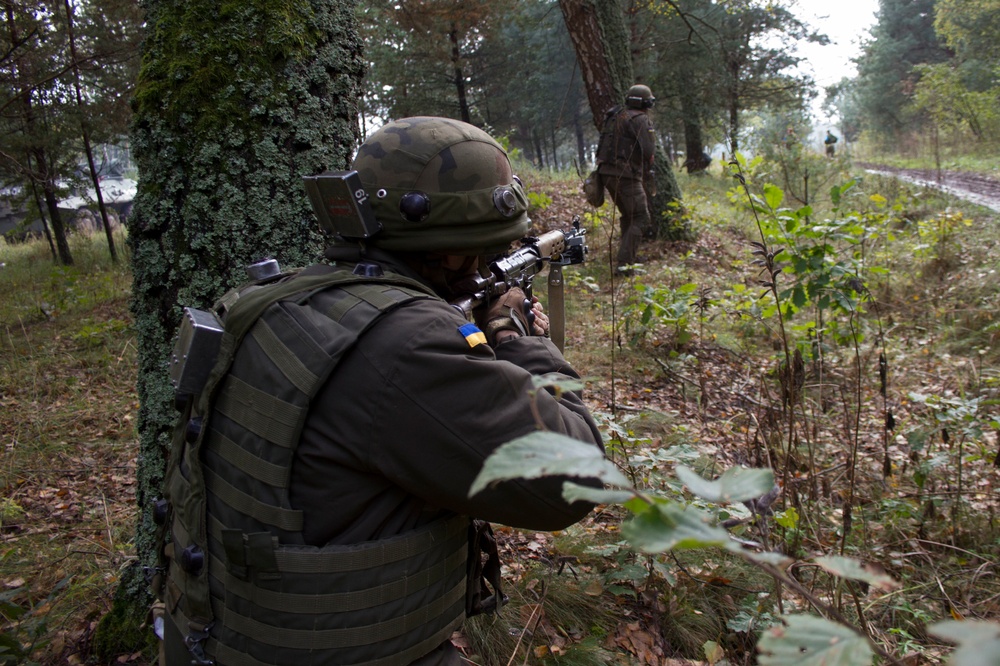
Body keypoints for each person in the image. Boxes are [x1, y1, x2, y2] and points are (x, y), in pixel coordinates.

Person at [152, 116, 604, 666]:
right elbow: (576, 482)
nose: (490, 263)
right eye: (487, 252)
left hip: (219, 635)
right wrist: (515, 336)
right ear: (457, 246)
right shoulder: (407, 348)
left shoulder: (278, 301)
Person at [595, 84, 657, 273]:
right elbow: (649, 152)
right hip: (626, 175)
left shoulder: (615, 116)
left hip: (606, 173)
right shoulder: (640, 120)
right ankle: (624, 264)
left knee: (629, 216)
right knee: (641, 217)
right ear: (646, 103)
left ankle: (628, 257)